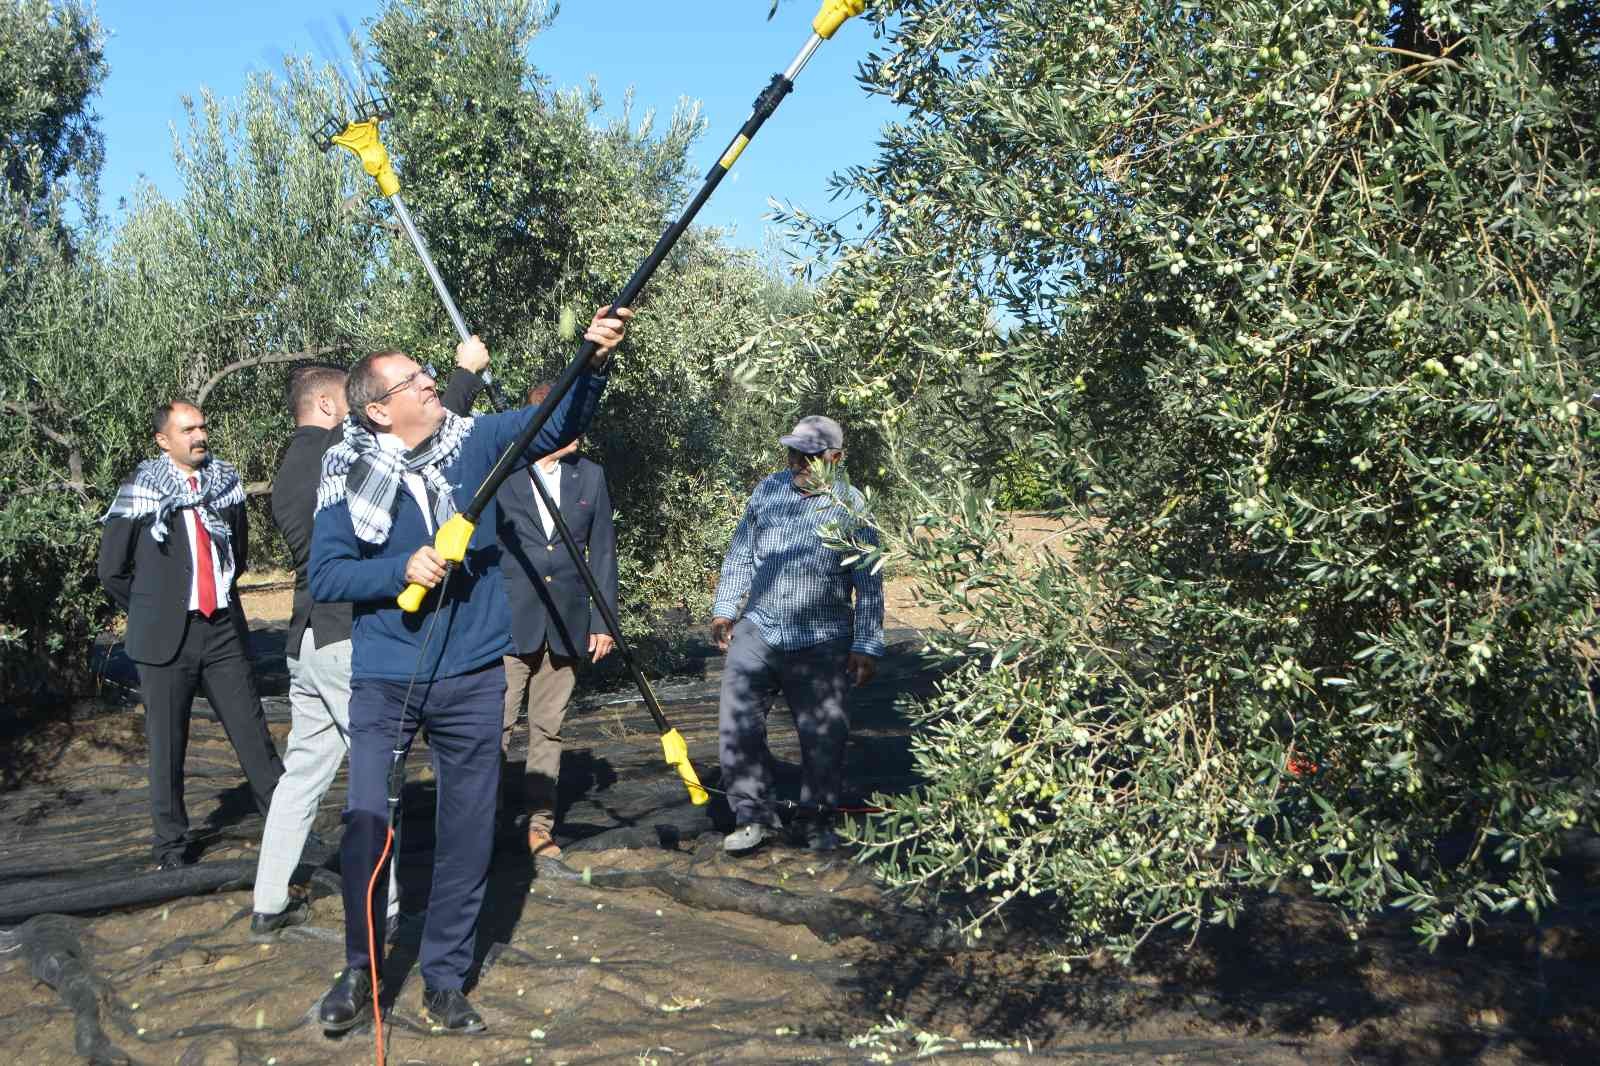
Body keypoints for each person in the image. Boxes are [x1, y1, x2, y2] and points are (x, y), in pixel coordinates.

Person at [308, 309, 628, 1036]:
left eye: (429, 373)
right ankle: (361, 970)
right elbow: (326, 573)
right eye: (416, 379)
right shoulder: (347, 467)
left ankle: (446, 979)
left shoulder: (473, 441)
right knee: (367, 823)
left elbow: (552, 421)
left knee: (468, 826)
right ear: (379, 409)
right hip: (386, 677)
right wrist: (401, 570)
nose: (434, 381)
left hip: (476, 674)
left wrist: (594, 361)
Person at [250, 349, 493, 940]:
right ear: (335, 406)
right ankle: (382, 915)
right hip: (345, 639)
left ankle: (269, 898)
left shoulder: (289, 468)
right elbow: (420, 452)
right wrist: (464, 379)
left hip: (304, 637)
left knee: (304, 770)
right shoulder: (340, 461)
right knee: (378, 780)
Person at [98, 401, 284, 870]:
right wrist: (153, 611)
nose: (199, 435)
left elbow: (236, 556)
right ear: (164, 440)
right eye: (187, 429)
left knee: (253, 736)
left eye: (202, 426)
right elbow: (111, 571)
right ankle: (171, 849)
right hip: (165, 639)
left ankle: (286, 828)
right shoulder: (140, 491)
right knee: (167, 747)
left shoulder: (224, 484)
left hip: (221, 628)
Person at [710, 415, 885, 854]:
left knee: (824, 733)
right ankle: (752, 816)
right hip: (761, 626)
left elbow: (870, 581)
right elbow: (740, 555)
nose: (798, 463)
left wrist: (866, 644)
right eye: (793, 454)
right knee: (738, 720)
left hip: (823, 635)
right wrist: (724, 611)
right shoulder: (767, 492)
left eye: (809, 456)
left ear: (835, 458)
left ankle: (816, 819)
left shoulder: (852, 506)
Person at [496, 381, 618, 859]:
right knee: (494, 727)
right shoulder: (502, 473)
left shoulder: (590, 476)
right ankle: (482, 822)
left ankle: (539, 827)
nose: (575, 432)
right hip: (507, 623)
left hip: (567, 623)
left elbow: (603, 551)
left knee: (549, 728)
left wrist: (604, 622)